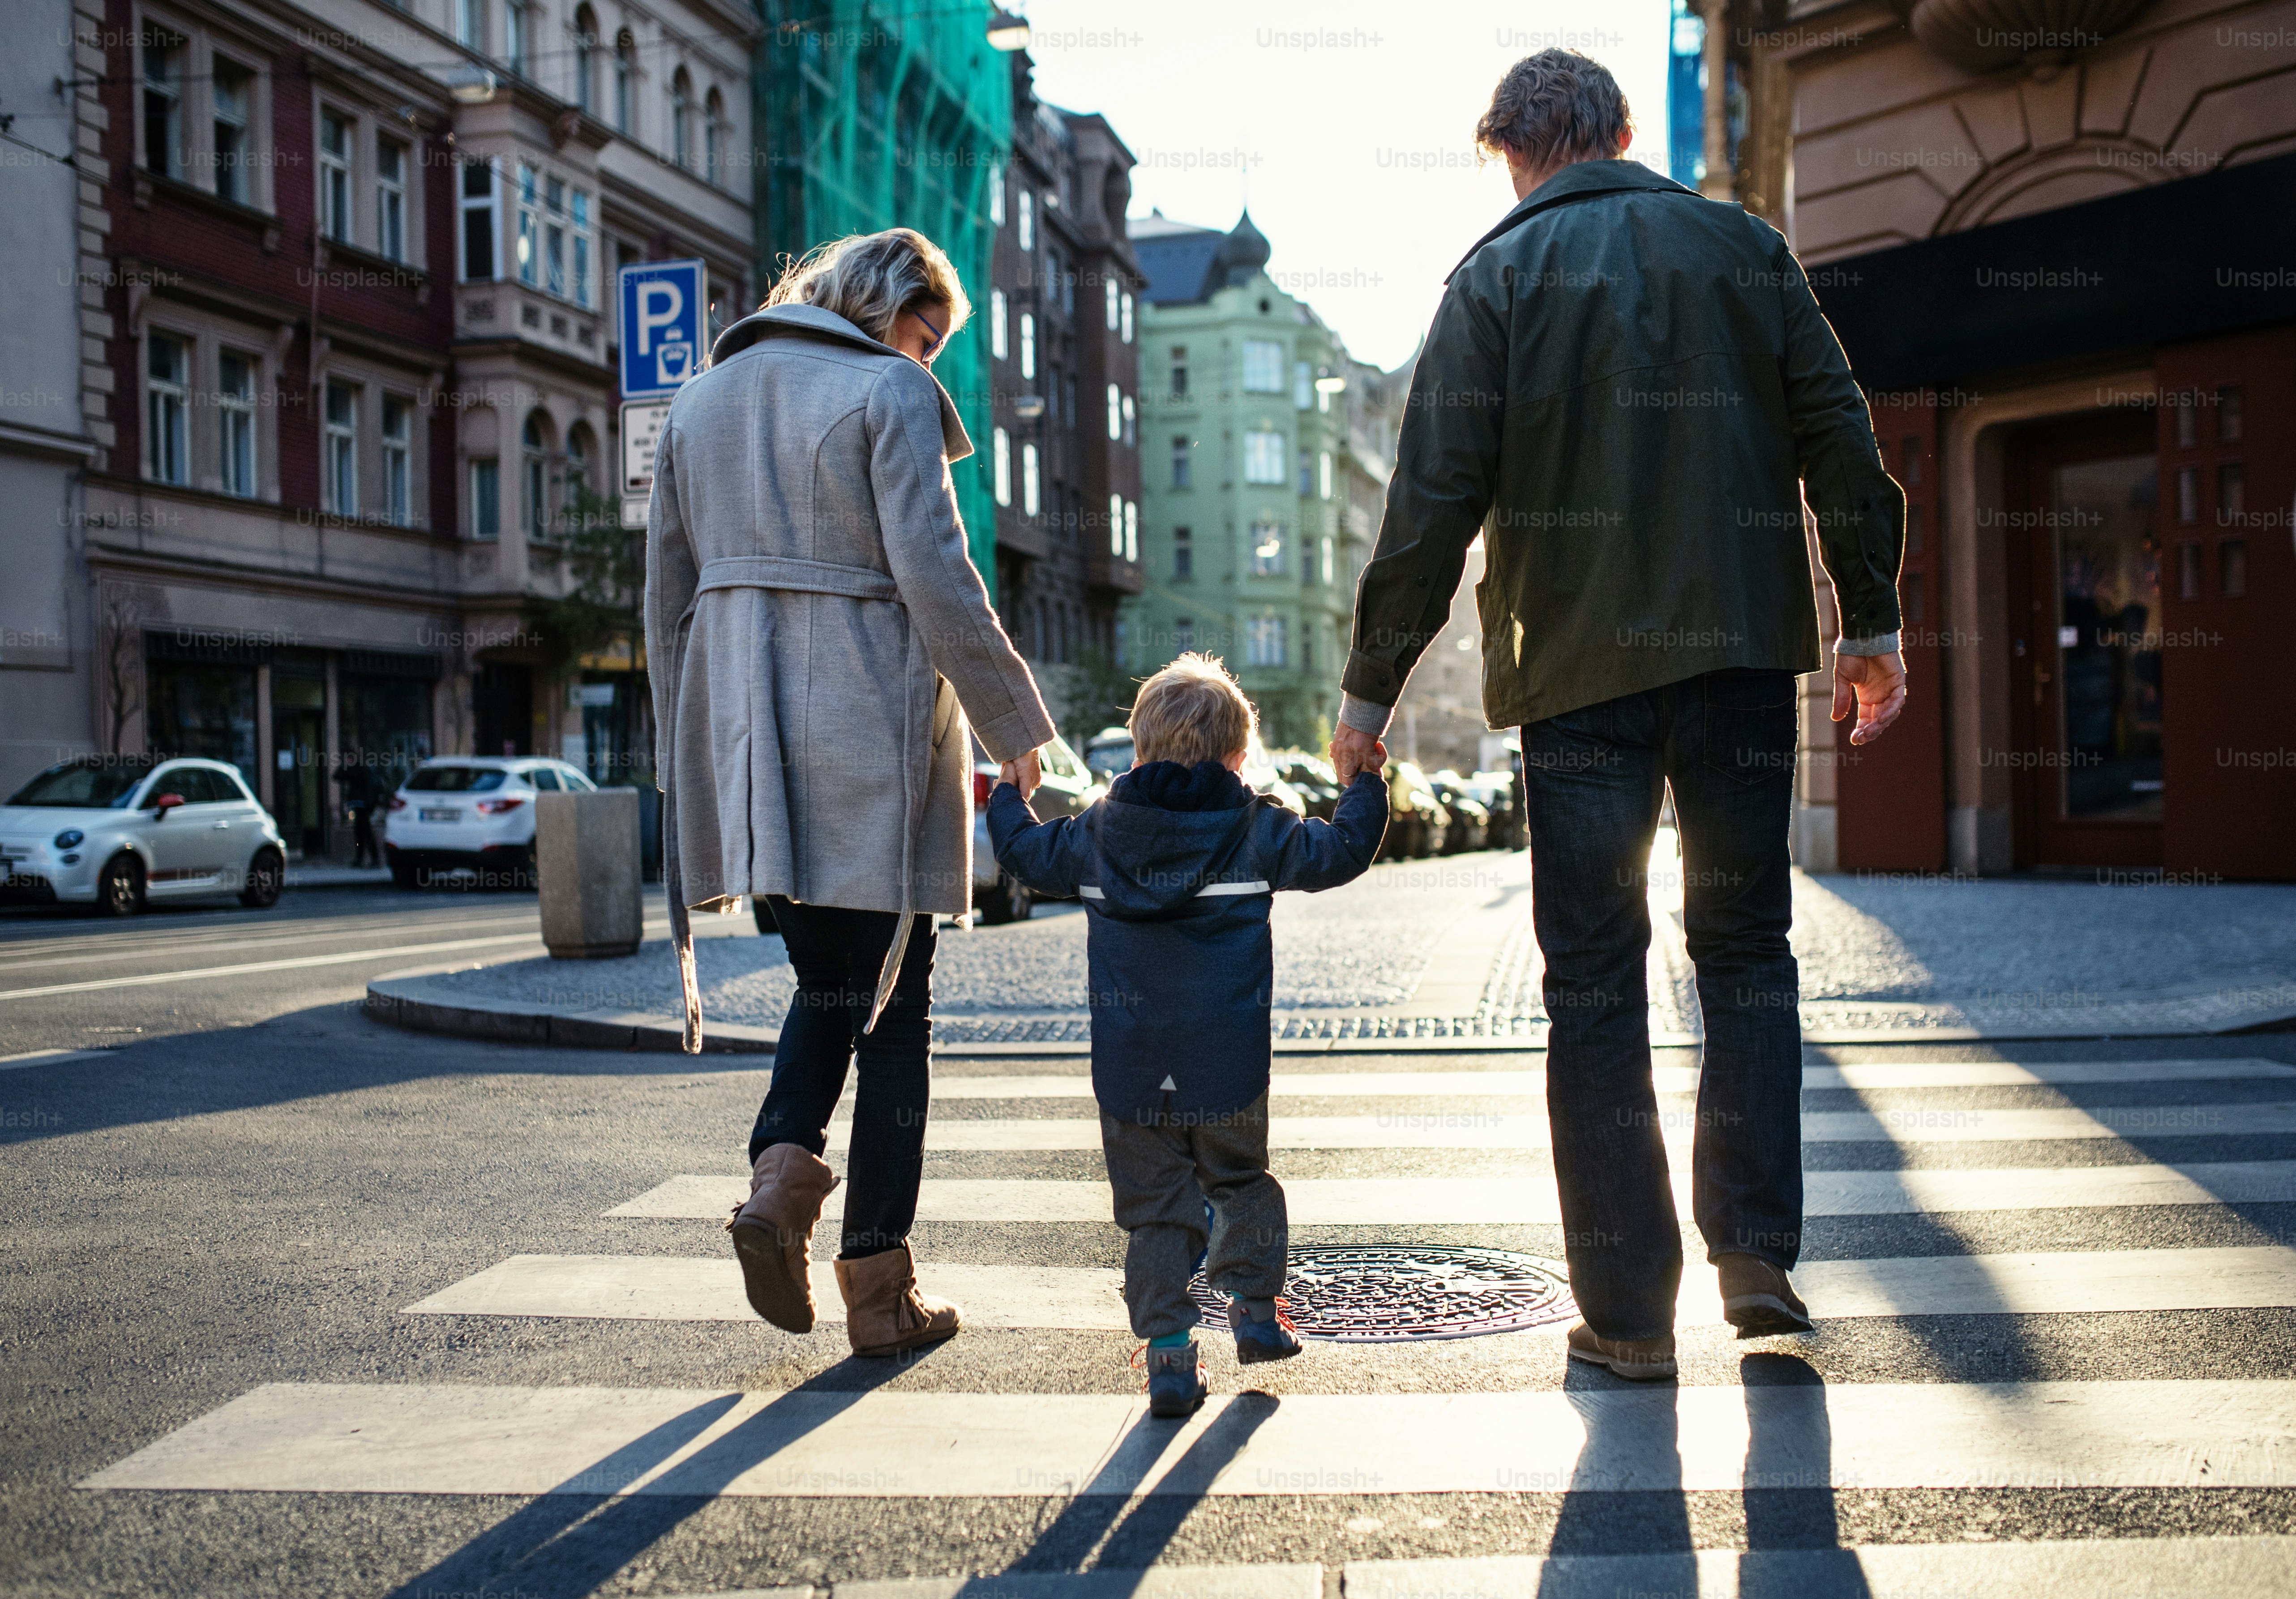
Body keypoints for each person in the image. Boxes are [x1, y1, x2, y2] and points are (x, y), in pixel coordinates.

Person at [1330, 51, 1909, 1381]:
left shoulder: (1492, 278)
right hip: (1743, 655)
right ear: (1623, 132)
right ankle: (1756, 1252)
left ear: (1517, 152)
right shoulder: (1741, 246)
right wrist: (1867, 624)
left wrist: (1372, 692)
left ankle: (1631, 1315)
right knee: (1747, 950)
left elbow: (1431, 506)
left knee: (1594, 981)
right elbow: (1840, 435)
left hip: (1575, 670)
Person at [644, 228, 1056, 1359]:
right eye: (924, 338)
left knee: (829, 983)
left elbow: (664, 598)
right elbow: (934, 571)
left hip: (748, 739)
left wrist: (688, 760)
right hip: (863, 728)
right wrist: (1016, 725)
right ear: (880, 311)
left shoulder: (700, 401)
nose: (928, 364)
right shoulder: (887, 393)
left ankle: (778, 1186)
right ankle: (877, 1283)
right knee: (894, 1008)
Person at [987, 654, 1387, 1415]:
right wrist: (1363, 783)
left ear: (1138, 751)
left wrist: (1011, 791)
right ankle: (1257, 1315)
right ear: (1239, 756)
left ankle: (1170, 1356)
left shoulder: (1096, 835)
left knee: (1156, 1211)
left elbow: (1022, 852)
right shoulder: (1259, 828)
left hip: (1132, 1072)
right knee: (1241, 1184)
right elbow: (1340, 852)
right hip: (1228, 1065)